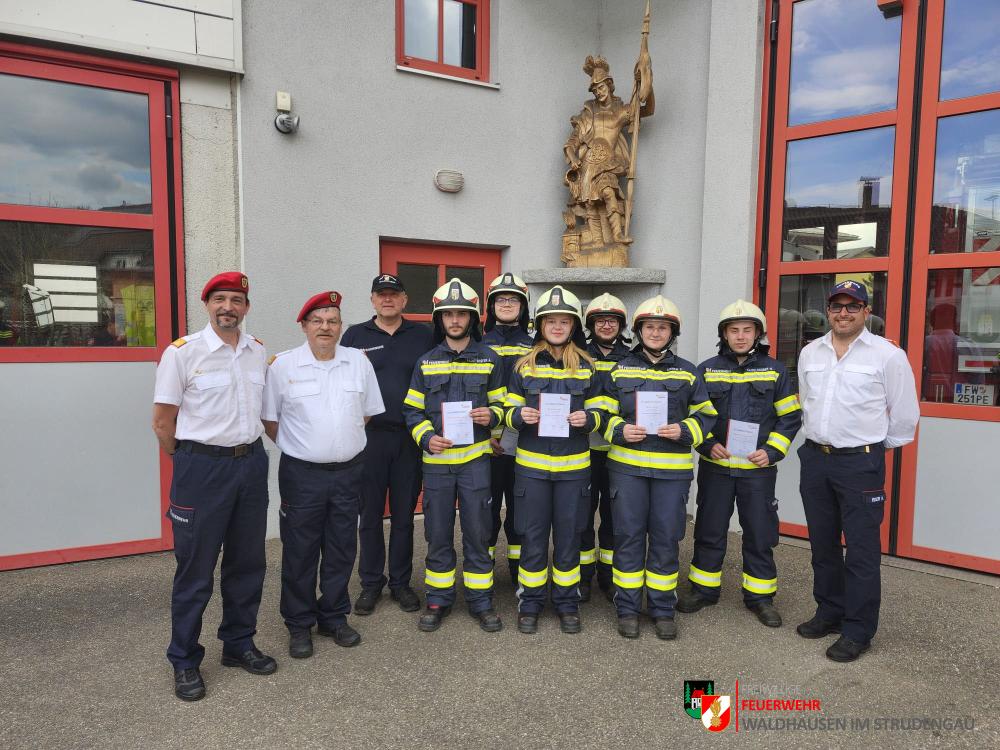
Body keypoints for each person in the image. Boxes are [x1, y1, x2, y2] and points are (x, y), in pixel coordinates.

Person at [152, 272, 274, 702]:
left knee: (247, 563)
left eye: (237, 300)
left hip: (250, 465)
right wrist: (188, 460)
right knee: (195, 570)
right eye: (220, 299)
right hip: (201, 470)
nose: (228, 307)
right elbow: (162, 422)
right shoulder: (182, 353)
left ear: (246, 307)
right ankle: (184, 659)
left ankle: (238, 643)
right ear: (206, 304)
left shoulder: (257, 351)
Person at [796, 280, 918, 662]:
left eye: (853, 306)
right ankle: (829, 611)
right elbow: (806, 401)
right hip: (816, 459)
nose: (844, 313)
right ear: (828, 310)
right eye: (837, 306)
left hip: (860, 464)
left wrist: (870, 449)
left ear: (867, 311)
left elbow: (905, 416)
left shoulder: (887, 355)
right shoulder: (810, 352)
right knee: (823, 544)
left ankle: (858, 630)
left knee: (862, 551)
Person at [262, 291, 384, 659]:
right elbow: (270, 420)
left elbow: (366, 413)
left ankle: (333, 616)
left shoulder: (358, 362)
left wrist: (338, 444)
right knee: (300, 552)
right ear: (304, 326)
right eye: (317, 321)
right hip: (302, 475)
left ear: (341, 326)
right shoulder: (283, 366)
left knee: (342, 548)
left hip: (349, 473)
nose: (325, 327)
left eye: (332, 321)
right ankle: (299, 623)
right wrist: (307, 447)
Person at [676, 300, 801, 628]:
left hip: (758, 470)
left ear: (758, 333)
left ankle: (760, 597)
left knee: (760, 533)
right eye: (734, 330)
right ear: (724, 334)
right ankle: (703, 589)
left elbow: (790, 417)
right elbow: (693, 415)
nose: (741, 336)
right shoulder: (706, 370)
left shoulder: (775, 370)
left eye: (747, 330)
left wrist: (772, 451)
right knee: (709, 529)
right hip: (716, 467)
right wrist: (707, 444)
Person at [601, 295, 716, 640]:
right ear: (638, 331)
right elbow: (601, 414)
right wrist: (619, 430)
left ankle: (662, 608)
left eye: (663, 327)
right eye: (649, 326)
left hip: (671, 474)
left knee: (667, 538)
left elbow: (706, 415)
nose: (655, 332)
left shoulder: (688, 371)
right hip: (627, 471)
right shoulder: (620, 369)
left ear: (672, 333)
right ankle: (627, 608)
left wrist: (685, 431)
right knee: (628, 537)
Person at [403, 279, 507, 633]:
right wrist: (426, 438)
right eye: (448, 314)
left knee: (478, 532)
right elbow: (412, 411)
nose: (455, 319)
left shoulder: (490, 359)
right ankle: (438, 599)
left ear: (472, 318)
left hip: (476, 464)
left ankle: (481, 601)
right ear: (440, 319)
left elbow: (504, 406)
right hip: (437, 466)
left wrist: (492, 416)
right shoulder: (425, 362)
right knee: (437, 533)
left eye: (462, 314)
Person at [503, 286, 604, 635]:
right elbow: (507, 410)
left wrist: (589, 420)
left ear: (573, 325)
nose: (557, 327)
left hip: (573, 471)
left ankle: (566, 603)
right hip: (531, 470)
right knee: (532, 537)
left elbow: (603, 411)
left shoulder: (588, 367)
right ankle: (530, 602)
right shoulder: (523, 366)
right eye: (551, 321)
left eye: (564, 321)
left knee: (569, 537)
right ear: (540, 325)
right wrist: (519, 416)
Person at [341, 274, 435, 616]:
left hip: (409, 437)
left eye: (393, 294)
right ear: (372, 299)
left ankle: (400, 582)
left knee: (404, 515)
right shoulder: (355, 336)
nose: (387, 299)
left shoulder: (423, 335)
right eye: (381, 294)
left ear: (404, 299)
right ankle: (370, 583)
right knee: (368, 515)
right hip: (370, 439)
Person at [481, 273, 533, 581]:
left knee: (520, 511)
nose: (507, 304)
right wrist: (487, 434)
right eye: (501, 299)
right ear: (491, 305)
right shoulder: (478, 344)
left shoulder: (535, 346)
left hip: (522, 439)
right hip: (485, 441)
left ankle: (518, 570)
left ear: (523, 306)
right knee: (485, 511)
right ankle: (483, 569)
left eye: (513, 299)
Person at [579, 293, 631, 601]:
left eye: (612, 321)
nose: (607, 325)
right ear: (591, 325)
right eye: (600, 320)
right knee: (581, 517)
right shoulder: (577, 356)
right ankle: (583, 576)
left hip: (618, 450)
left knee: (615, 517)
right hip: (583, 449)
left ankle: (609, 576)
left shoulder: (633, 360)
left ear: (622, 325)